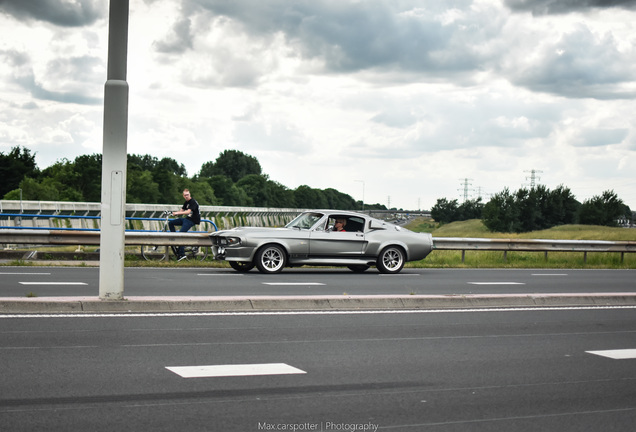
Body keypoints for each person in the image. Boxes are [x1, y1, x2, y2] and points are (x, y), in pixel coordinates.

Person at [169, 189, 201, 260]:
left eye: (188, 195)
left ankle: (182, 254)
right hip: (187, 219)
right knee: (171, 223)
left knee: (181, 234)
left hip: (192, 220)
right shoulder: (186, 202)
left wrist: (177, 213)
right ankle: (174, 238)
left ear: (190, 194)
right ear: (183, 196)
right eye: (185, 195)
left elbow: (187, 212)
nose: (186, 196)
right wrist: (173, 213)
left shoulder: (193, 202)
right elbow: (182, 210)